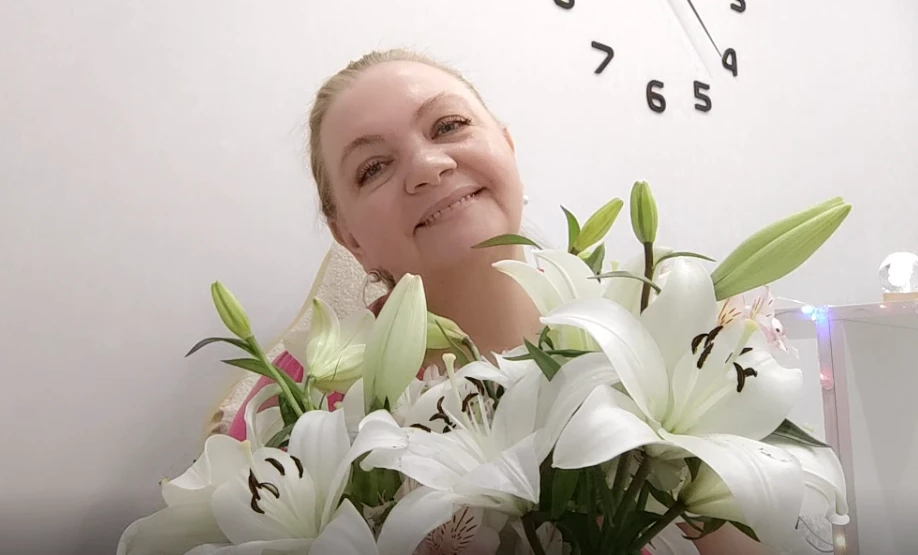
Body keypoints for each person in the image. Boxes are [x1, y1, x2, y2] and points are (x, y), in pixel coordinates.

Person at [227, 48, 768, 555]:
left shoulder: (659, 342)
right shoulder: (298, 398)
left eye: (449, 126)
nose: (428, 166)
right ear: (348, 237)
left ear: (507, 147)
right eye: (373, 168)